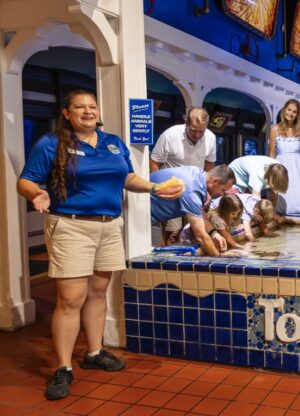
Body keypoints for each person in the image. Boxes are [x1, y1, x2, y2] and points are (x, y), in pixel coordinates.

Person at [16, 90, 183, 400]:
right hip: (71, 226)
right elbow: (25, 180)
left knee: (97, 292)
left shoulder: (113, 142)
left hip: (109, 226)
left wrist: (155, 187)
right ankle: (64, 367)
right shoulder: (51, 144)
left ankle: (94, 352)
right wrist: (35, 194)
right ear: (66, 112)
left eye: (92, 106)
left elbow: (128, 178)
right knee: (70, 299)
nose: (88, 111)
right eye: (79, 106)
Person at [149, 107, 217, 244]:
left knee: (196, 229)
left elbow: (209, 165)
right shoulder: (169, 135)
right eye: (193, 130)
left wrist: (208, 192)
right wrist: (159, 190)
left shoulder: (210, 137)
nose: (197, 135)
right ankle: (166, 253)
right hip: (172, 191)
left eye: (201, 131)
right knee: (173, 230)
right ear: (186, 123)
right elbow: (154, 163)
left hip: (195, 190)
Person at [150, 165, 235, 256]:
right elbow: (201, 236)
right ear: (215, 181)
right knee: (150, 256)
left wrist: (213, 233)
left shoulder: (197, 174)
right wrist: (220, 259)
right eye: (223, 190)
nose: (222, 194)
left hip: (151, 214)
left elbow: (199, 211)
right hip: (143, 215)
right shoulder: (192, 191)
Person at [269, 99, 300, 214]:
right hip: (281, 165)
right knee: (283, 195)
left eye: (294, 111)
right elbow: (271, 153)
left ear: (298, 115)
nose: (291, 113)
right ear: (284, 110)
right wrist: (272, 172)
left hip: (299, 167)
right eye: (289, 110)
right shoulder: (274, 129)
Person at [179, 194, 245, 249]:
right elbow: (228, 238)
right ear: (225, 211)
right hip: (188, 237)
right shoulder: (217, 219)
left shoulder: (228, 217)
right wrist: (242, 248)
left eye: (238, 213)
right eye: (233, 214)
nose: (236, 216)